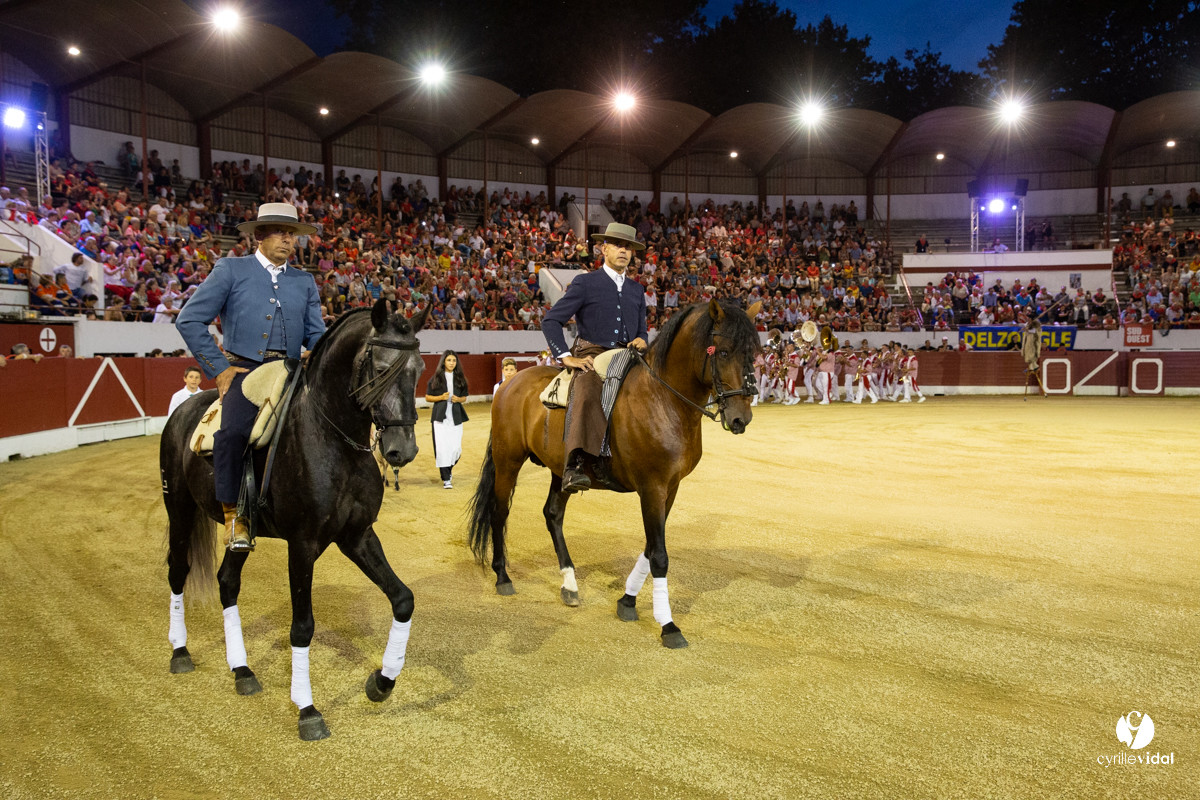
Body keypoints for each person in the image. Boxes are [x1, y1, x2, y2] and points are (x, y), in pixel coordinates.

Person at [175, 203, 324, 552]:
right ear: (259, 235)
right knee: (232, 433)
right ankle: (234, 516)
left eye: (292, 234)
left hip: (291, 372)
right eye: (280, 232)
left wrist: (319, 351)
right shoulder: (231, 269)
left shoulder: (304, 281)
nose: (288, 240)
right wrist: (219, 368)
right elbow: (189, 320)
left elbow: (316, 334)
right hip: (246, 371)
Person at [541, 222, 648, 493]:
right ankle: (575, 463)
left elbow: (642, 330)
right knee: (588, 390)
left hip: (628, 355)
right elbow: (551, 321)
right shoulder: (585, 282)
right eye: (618, 245)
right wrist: (566, 356)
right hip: (592, 353)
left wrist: (642, 339)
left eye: (628, 247)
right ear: (604, 249)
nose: (624, 251)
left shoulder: (637, 289)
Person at [425, 350, 469, 489]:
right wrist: (440, 397)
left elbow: (465, 397)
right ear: (443, 362)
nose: (451, 363)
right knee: (442, 448)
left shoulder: (460, 378)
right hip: (440, 416)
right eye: (449, 360)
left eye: (454, 360)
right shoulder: (436, 378)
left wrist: (459, 399)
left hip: (456, 415)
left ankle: (448, 470)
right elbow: (427, 397)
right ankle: (446, 478)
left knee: (456, 449)